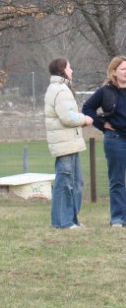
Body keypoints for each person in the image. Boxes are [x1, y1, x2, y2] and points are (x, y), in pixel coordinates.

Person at [44, 58, 93, 229]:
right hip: (64, 144)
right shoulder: (60, 90)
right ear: (63, 69)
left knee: (76, 182)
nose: (72, 70)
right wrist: (85, 119)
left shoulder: (59, 88)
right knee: (65, 183)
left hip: (70, 143)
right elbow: (67, 117)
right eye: (70, 67)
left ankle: (72, 220)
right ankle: (63, 222)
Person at [82, 56, 126, 227]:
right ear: (114, 72)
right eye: (123, 69)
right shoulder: (105, 91)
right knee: (117, 180)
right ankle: (117, 219)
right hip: (115, 140)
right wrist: (103, 125)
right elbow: (87, 108)